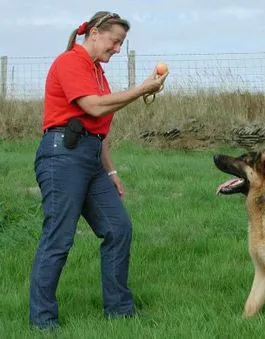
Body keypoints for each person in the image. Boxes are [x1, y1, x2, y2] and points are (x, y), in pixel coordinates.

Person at [29, 11, 168, 330]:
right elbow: (92, 107)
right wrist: (141, 89)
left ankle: (119, 312)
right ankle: (42, 322)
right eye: (115, 41)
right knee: (59, 238)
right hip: (61, 155)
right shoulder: (70, 62)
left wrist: (111, 173)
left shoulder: (96, 73)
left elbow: (97, 129)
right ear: (93, 33)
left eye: (121, 44)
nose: (118, 49)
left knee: (118, 228)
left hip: (89, 157)